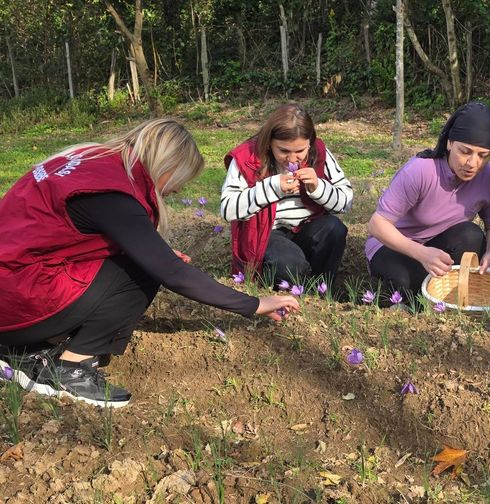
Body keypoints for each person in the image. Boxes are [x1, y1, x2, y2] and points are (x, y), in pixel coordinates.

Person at [0, 119, 300, 408]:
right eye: (180, 179)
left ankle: (23, 349)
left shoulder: (88, 161)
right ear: (166, 166)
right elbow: (172, 273)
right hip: (16, 299)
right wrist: (254, 303)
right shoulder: (112, 194)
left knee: (146, 257)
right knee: (144, 267)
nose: (178, 190)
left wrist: (152, 251)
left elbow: (63, 236)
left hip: (13, 285)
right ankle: (69, 370)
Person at [366, 101, 490, 298]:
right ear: (450, 143)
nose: (472, 163)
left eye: (483, 155)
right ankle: (418, 288)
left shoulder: (488, 177)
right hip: (395, 244)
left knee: (471, 235)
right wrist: (422, 254)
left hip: (438, 245)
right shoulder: (421, 171)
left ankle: (441, 289)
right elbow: (377, 225)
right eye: (465, 151)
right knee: (403, 283)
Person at [221, 103, 353, 288]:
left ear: (310, 143)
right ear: (268, 143)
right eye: (283, 151)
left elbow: (345, 202)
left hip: (306, 227)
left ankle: (321, 286)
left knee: (334, 229)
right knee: (288, 264)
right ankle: (298, 283)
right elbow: (228, 210)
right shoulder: (247, 157)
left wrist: (318, 187)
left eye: (300, 151)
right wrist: (271, 187)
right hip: (266, 234)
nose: (292, 159)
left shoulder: (319, 152)